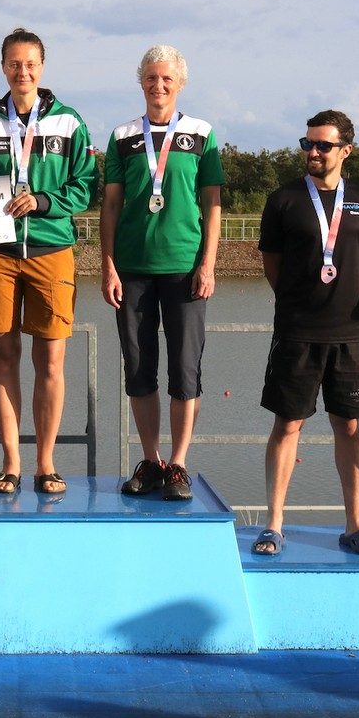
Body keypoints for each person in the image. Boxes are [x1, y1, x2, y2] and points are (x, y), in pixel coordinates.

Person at [0, 28, 97, 494]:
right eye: (14, 63)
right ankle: (10, 462)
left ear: (42, 67)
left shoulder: (70, 122)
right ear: (3, 67)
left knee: (50, 359)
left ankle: (45, 464)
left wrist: (43, 201)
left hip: (51, 250)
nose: (22, 71)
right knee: (3, 355)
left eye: (30, 64)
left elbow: (85, 186)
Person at [253, 110, 359, 556]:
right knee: (287, 424)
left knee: (348, 426)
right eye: (307, 143)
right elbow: (272, 264)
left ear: (346, 150)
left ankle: (355, 525)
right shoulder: (283, 199)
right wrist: (297, 300)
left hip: (350, 333)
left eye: (323, 145)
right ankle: (273, 523)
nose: (313, 151)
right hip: (297, 332)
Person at [100, 45, 223, 502]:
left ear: (180, 84)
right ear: (141, 82)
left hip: (186, 268)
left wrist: (208, 263)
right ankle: (151, 461)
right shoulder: (123, 136)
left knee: (185, 371)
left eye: (167, 78)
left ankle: (179, 464)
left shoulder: (201, 133)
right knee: (139, 370)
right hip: (132, 269)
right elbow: (111, 205)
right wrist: (108, 265)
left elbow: (212, 203)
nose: (159, 85)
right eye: (151, 77)